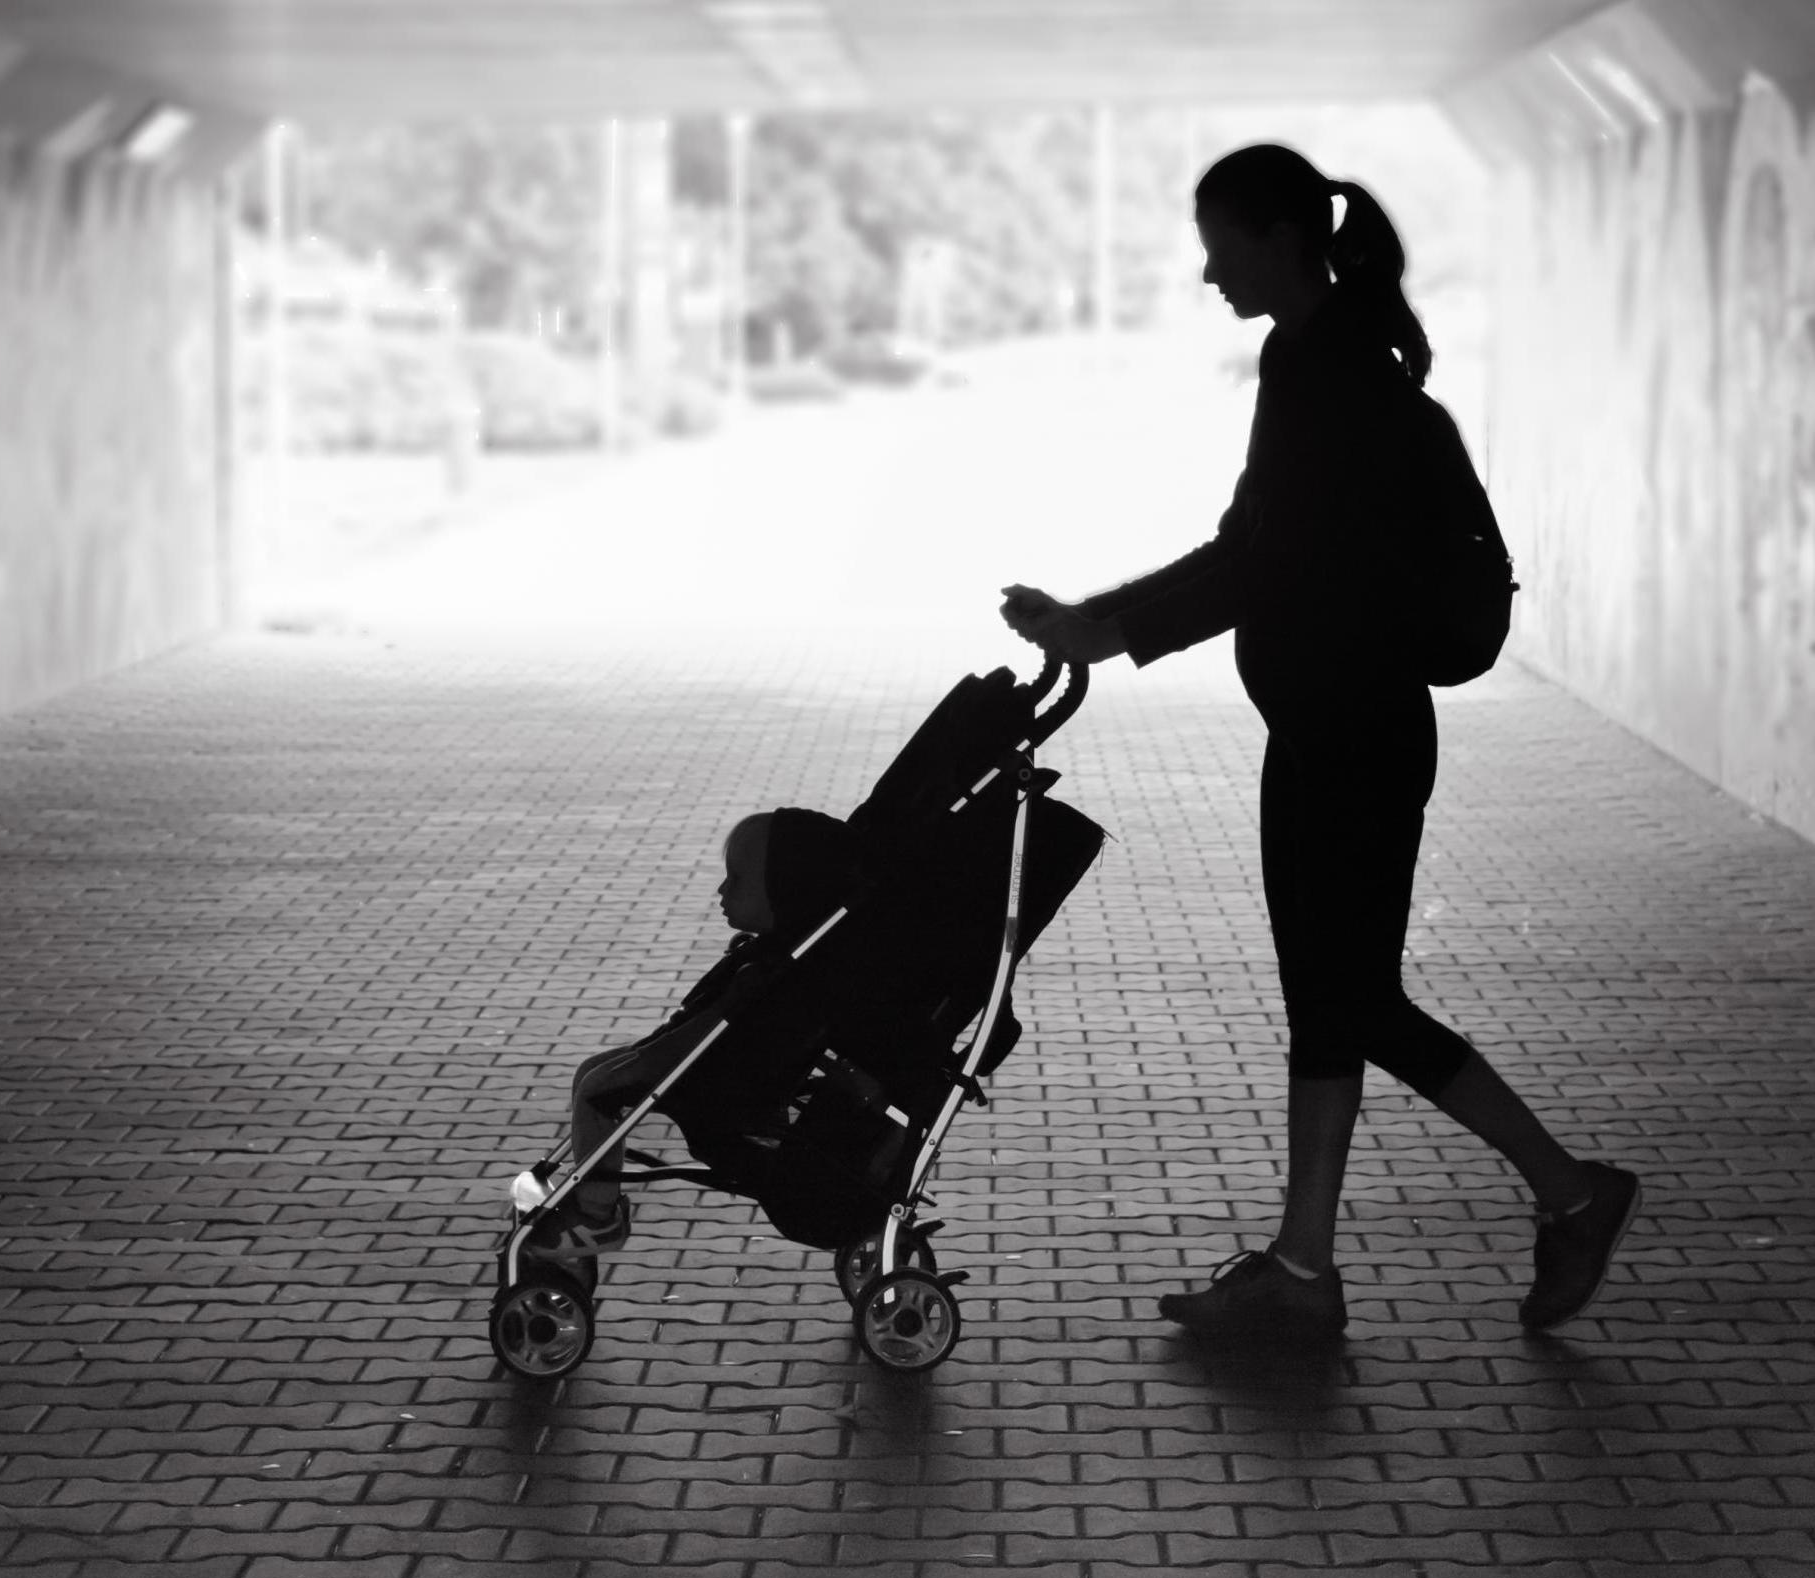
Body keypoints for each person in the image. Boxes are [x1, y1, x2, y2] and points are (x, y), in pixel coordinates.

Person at [1000, 142, 1637, 1339]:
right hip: (1335, 728)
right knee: (1333, 1001)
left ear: (1280, 238)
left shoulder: (1320, 364)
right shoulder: (1324, 353)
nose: (1206, 271)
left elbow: (1258, 553)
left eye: (1221, 243)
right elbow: (1266, 543)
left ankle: (1565, 1189)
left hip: (1353, 734)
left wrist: (1107, 626)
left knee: (1351, 999)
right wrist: (1108, 621)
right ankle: (1304, 1266)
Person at [524, 806, 862, 1259]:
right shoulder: (780, 960)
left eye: (737, 880)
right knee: (594, 1070)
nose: (723, 890)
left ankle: (597, 1214)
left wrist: (646, 1057)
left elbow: (698, 1036)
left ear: (785, 890)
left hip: (715, 1078)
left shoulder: (768, 975)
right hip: (725, 1068)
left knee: (598, 1090)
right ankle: (592, 1198)